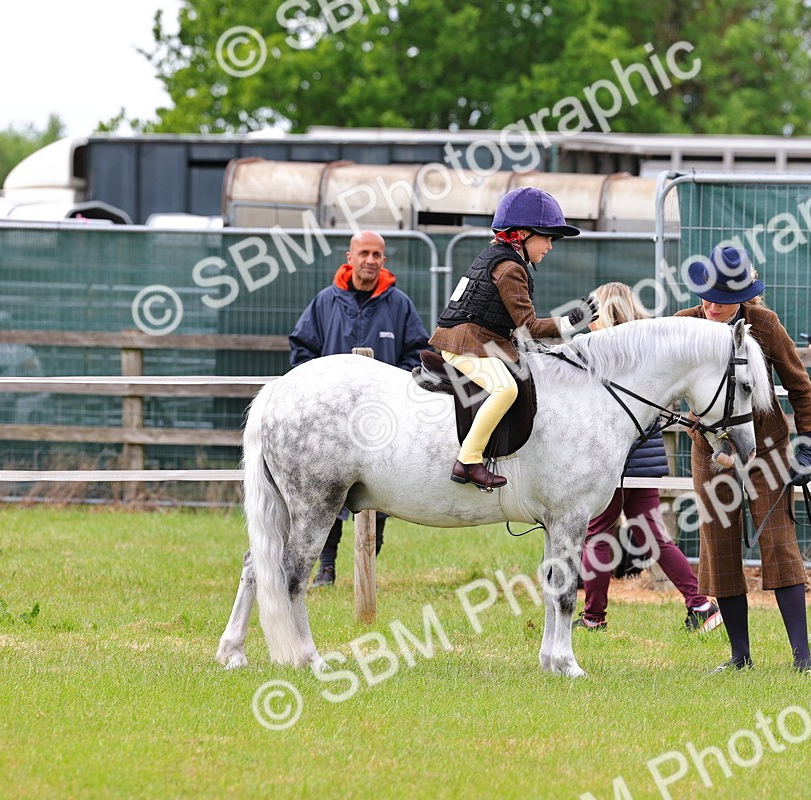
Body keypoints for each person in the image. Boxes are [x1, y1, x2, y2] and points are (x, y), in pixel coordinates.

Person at [681, 246, 811, 673]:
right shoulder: (684, 325)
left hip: (768, 446)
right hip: (709, 449)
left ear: (743, 296)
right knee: (718, 548)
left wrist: (809, 441)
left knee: (778, 543)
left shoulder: (765, 324)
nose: (711, 305)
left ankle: (803, 659)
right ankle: (739, 657)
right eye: (707, 295)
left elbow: (800, 386)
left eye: (721, 299)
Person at [573, 283, 722, 633]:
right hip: (646, 457)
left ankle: (594, 617)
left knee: (597, 534)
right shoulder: (648, 346)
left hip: (616, 459)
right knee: (653, 536)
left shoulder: (606, 348)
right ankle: (700, 604)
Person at [289, 230, 431, 587]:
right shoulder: (325, 302)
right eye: (364, 253)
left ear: (384, 260)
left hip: (383, 420)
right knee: (327, 493)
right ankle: (326, 569)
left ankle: (365, 569)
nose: (370, 260)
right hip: (332, 423)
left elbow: (417, 351)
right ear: (349, 257)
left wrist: (394, 389)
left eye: (377, 255)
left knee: (380, 494)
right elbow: (302, 349)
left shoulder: (399, 304)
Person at [429, 187, 596, 489]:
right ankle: (468, 460)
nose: (550, 246)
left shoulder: (503, 259)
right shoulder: (508, 269)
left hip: (476, 340)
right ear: (521, 235)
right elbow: (529, 326)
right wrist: (572, 322)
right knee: (505, 390)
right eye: (546, 237)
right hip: (465, 344)